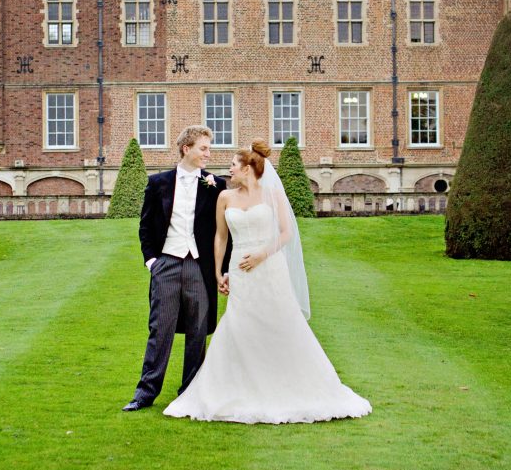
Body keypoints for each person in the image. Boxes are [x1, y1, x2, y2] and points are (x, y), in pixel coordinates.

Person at [163, 141, 372, 424]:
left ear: (247, 168)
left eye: (233, 166)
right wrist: (217, 273)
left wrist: (262, 254)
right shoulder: (224, 197)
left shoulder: (273, 194)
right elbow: (220, 237)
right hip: (239, 268)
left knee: (279, 322)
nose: (229, 170)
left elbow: (286, 233)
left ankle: (289, 384)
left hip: (270, 266)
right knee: (239, 323)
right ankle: (235, 387)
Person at [123, 126, 228, 411]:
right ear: (186, 148)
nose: (209, 153)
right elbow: (145, 226)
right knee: (160, 329)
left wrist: (223, 269)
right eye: (204, 148)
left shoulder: (216, 185)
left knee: (198, 331)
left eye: (209, 148)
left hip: (199, 266)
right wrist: (152, 262)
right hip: (167, 263)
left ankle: (190, 392)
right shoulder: (158, 183)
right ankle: (145, 394)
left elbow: (223, 232)